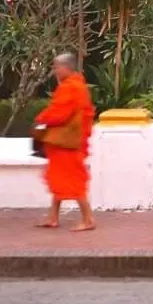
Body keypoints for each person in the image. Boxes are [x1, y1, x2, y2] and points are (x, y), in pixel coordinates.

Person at [34, 52, 95, 232]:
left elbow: (60, 114)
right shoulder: (76, 85)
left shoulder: (72, 87)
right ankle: (53, 216)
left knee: (72, 181)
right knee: (60, 178)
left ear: (67, 67)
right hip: (67, 143)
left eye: (56, 67)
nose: (55, 71)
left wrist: (41, 119)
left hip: (67, 144)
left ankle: (88, 218)